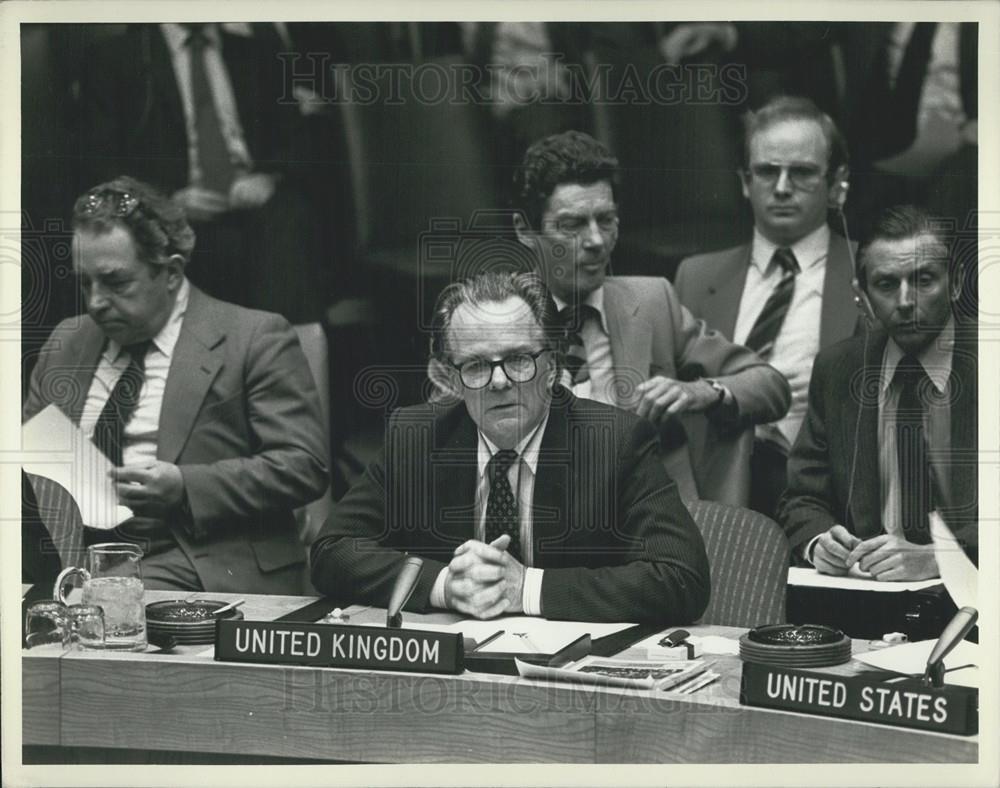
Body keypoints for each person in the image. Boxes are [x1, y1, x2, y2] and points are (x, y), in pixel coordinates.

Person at [310, 271, 710, 624]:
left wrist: (527, 589)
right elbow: (332, 551)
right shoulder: (415, 439)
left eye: (518, 359)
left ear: (552, 366)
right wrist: (444, 584)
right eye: (476, 365)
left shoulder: (615, 441)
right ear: (452, 379)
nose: (499, 382)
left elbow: (681, 577)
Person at [23, 176, 329, 593]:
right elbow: (26, 462)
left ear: (170, 272)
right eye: (85, 282)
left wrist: (186, 486)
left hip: (202, 558)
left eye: (115, 282)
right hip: (76, 558)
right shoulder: (68, 341)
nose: (95, 302)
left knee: (107, 602)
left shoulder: (253, 337)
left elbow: (304, 466)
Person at [511, 130, 790, 505]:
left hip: (652, 516)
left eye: (606, 220)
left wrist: (699, 392)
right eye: (572, 226)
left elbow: (770, 386)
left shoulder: (651, 301)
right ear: (524, 230)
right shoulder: (491, 319)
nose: (596, 241)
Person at [675, 96, 859, 518]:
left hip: (826, 499)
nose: (781, 188)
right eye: (767, 171)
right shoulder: (695, 277)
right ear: (745, 181)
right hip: (717, 499)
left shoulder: (869, 276)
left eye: (802, 173)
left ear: (837, 183)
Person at [779, 204, 976, 579]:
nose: (905, 302)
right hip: (863, 593)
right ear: (863, 296)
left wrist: (941, 559)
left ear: (955, 282)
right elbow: (802, 497)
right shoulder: (839, 369)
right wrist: (819, 542)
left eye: (924, 280)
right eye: (886, 285)